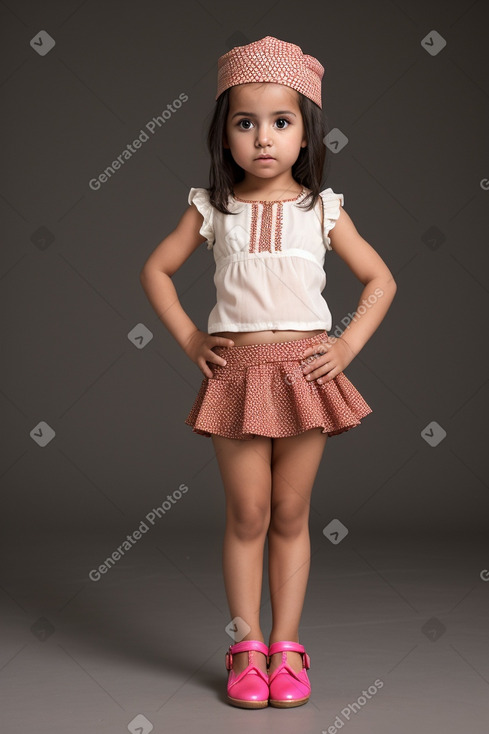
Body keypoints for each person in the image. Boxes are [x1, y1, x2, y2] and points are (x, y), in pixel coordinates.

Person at [139, 35, 397, 710]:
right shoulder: (212, 208)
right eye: (244, 122)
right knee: (248, 511)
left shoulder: (322, 210)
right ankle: (245, 645)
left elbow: (379, 280)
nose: (262, 139)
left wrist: (343, 348)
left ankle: (287, 646)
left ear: (306, 131)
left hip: (304, 373)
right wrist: (193, 334)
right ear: (222, 133)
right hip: (237, 371)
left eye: (280, 122)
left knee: (290, 511)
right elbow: (156, 271)